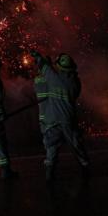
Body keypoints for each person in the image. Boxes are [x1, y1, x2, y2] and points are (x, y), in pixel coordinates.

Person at [32, 51, 89, 183]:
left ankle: (49, 173)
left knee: (51, 146)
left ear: (59, 67)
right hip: (68, 119)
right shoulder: (75, 83)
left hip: (52, 120)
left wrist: (38, 57)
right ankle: (85, 166)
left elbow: (43, 67)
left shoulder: (53, 78)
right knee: (76, 144)